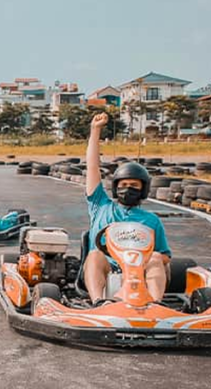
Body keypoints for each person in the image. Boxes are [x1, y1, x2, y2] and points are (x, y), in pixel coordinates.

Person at [84, 112, 170, 304]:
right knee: (95, 254)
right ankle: (99, 301)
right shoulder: (101, 206)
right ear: (116, 188)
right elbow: (92, 167)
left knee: (156, 257)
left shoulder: (151, 220)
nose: (128, 189)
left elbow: (165, 256)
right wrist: (95, 130)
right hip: (107, 267)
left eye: (134, 185)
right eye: (123, 185)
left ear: (143, 189)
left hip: (141, 271)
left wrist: (145, 260)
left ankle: (155, 303)